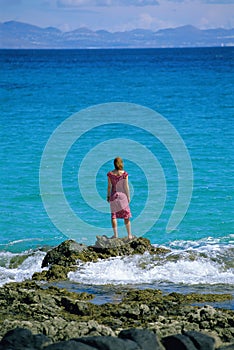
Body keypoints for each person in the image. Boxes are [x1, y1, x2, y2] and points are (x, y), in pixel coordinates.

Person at [107, 157, 134, 240]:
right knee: (126, 216)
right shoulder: (124, 174)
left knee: (114, 216)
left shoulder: (110, 174)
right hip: (123, 196)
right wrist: (128, 196)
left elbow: (109, 186)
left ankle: (115, 235)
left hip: (114, 195)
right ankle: (129, 235)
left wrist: (108, 195)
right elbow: (126, 186)